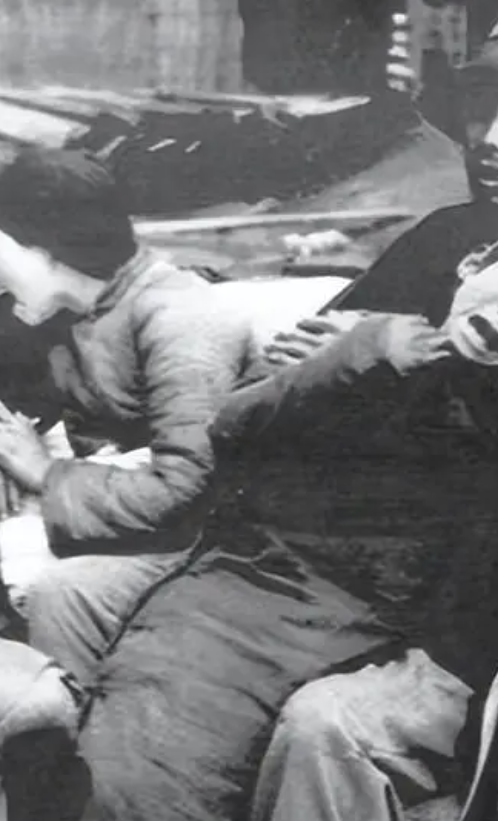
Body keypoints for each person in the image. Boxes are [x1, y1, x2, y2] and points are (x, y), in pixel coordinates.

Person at [74, 32, 498, 821]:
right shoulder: (450, 233)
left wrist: (366, 362)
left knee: (266, 716)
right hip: (295, 543)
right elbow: (277, 388)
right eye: (483, 102)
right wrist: (352, 358)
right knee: (84, 611)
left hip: (415, 594)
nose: (493, 137)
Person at [0, 146, 265, 686]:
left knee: (41, 588)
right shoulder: (58, 307)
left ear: (46, 246)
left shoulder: (180, 317)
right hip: (105, 504)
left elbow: (188, 488)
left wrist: (43, 472)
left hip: (195, 541)